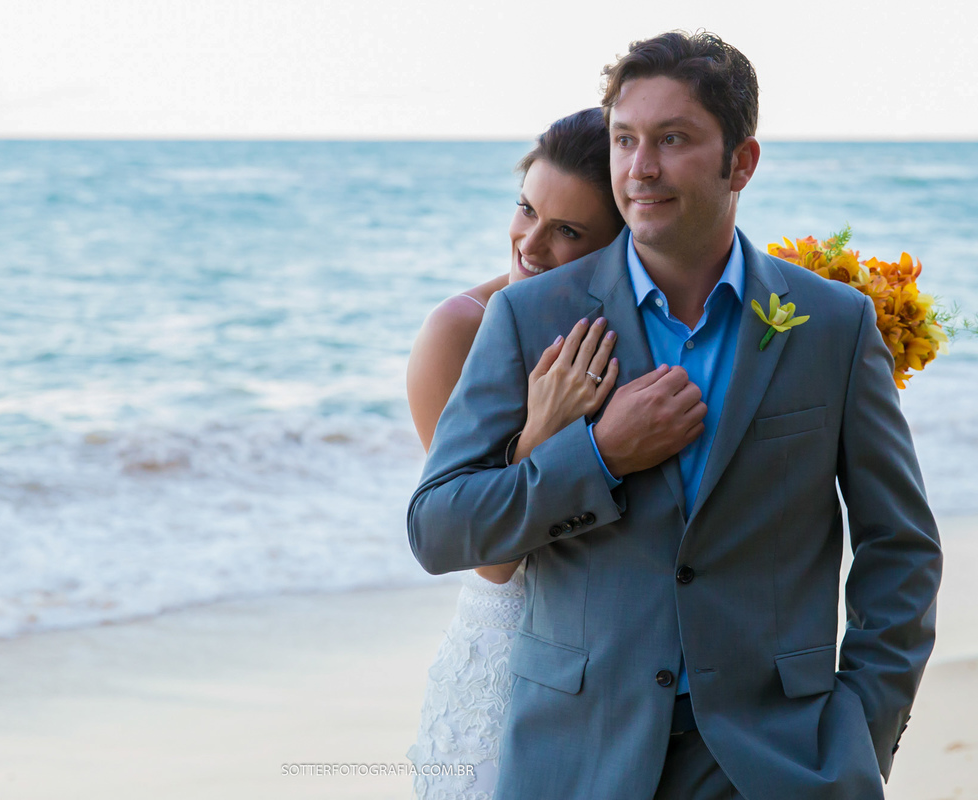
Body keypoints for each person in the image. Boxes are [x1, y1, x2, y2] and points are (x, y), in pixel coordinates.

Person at [407, 31, 942, 800]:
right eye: (625, 139)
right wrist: (598, 456)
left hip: (778, 764)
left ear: (742, 163)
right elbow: (437, 529)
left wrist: (861, 730)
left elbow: (901, 548)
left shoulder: (833, 324)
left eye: (673, 139)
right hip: (577, 763)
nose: (640, 167)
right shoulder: (528, 317)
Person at [404, 109, 625, 799]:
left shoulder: (635, 330)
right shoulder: (459, 330)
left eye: (568, 231)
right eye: (527, 209)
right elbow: (489, 558)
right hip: (504, 660)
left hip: (617, 674)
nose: (530, 243)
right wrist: (543, 431)